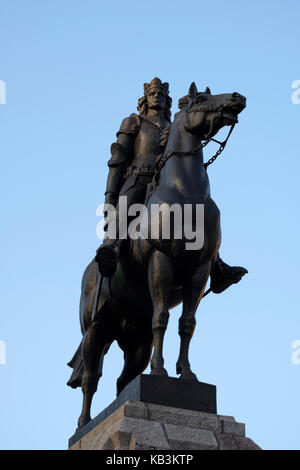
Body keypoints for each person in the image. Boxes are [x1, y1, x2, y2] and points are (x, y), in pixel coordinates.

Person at [96, 77, 247, 293]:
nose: (157, 96)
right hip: (138, 177)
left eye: (161, 94)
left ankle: (217, 266)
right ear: (145, 99)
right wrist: (110, 195)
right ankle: (110, 247)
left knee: (200, 210)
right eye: (152, 94)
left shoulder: (175, 124)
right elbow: (118, 157)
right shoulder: (134, 122)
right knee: (127, 206)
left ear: (168, 100)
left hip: (166, 179)